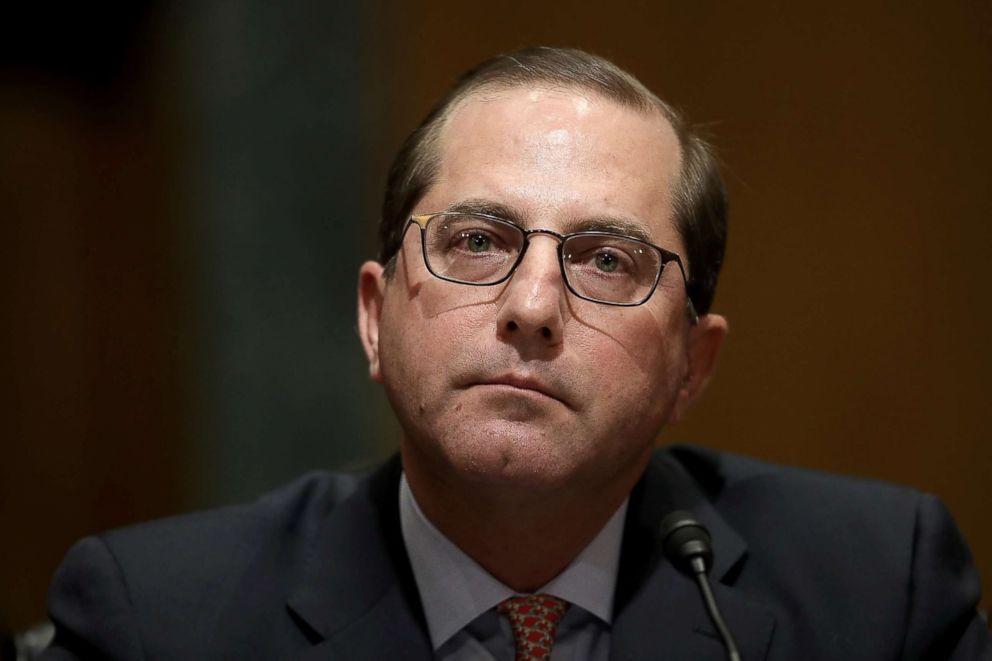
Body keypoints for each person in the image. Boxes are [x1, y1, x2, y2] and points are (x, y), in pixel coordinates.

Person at [42, 47, 990, 660]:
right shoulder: (153, 622)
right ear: (376, 316)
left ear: (690, 370)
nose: (532, 306)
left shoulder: (883, 596)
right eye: (479, 241)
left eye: (607, 259)